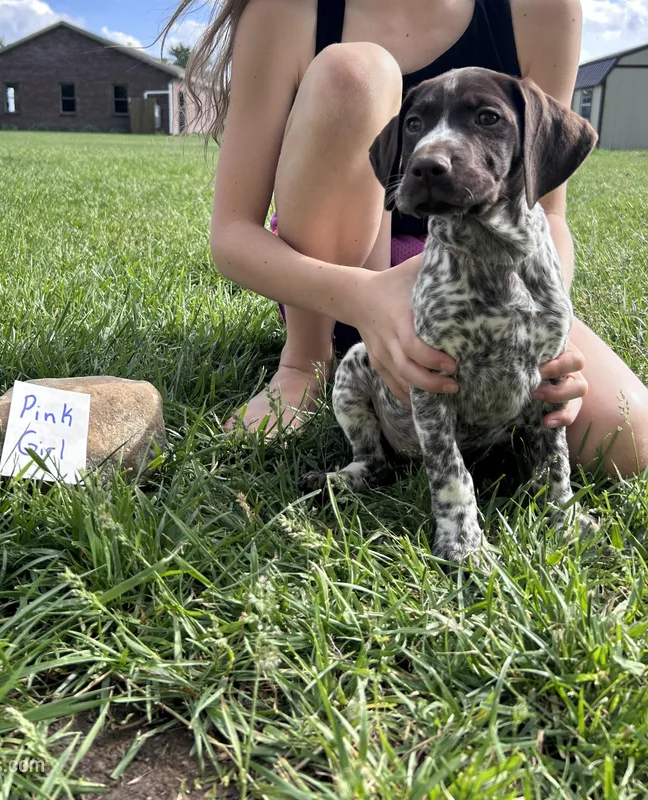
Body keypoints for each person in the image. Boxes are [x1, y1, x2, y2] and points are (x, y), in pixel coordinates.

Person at [166, 0, 648, 478]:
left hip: (485, 287)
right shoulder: (286, 11)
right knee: (353, 70)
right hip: (334, 287)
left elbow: (546, 211)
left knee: (628, 439)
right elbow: (232, 234)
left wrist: (549, 335)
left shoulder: (537, 9)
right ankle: (305, 365)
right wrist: (365, 298)